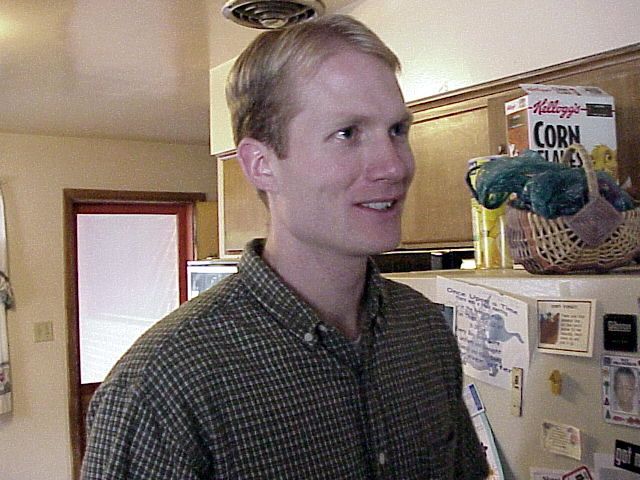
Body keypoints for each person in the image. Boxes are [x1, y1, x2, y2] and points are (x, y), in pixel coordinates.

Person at [81, 14, 489, 479]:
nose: (394, 166)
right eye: (348, 133)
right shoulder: (163, 386)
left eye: (397, 130)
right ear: (261, 164)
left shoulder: (423, 331)